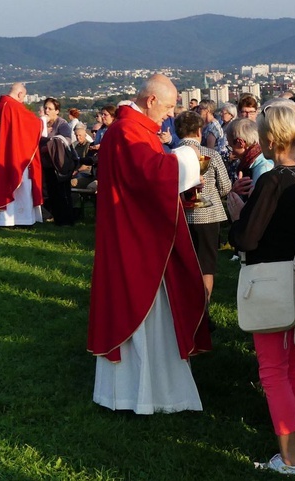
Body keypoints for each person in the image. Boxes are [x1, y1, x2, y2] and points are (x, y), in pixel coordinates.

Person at [87, 74, 211, 414]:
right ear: (151, 100)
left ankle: (144, 392)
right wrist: (187, 157)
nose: (169, 115)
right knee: (143, 313)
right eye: (168, 106)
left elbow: (147, 182)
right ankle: (142, 395)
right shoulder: (128, 132)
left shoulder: (135, 130)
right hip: (136, 240)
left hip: (137, 229)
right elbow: (151, 175)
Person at [227, 103, 295, 475]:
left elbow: (248, 238)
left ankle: (290, 457)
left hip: (270, 282)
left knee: (273, 371)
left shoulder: (273, 180)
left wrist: (238, 215)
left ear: (269, 137)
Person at [175, 110, 232, 302]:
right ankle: (203, 306)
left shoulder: (172, 155)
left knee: (183, 263)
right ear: (199, 131)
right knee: (206, 266)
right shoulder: (211, 154)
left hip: (181, 215)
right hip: (208, 215)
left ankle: (185, 303)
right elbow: (225, 187)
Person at [0, 82, 44, 227]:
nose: (23, 101)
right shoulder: (14, 107)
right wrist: (43, 121)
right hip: (14, 156)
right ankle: (21, 219)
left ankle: (2, 221)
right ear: (20, 94)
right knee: (20, 184)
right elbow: (33, 125)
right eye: (23, 97)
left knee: (0, 182)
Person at [40, 97, 74, 226]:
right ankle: (56, 217)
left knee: (62, 192)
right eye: (45, 108)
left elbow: (67, 140)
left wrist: (50, 142)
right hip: (47, 164)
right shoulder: (43, 124)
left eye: (50, 108)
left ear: (57, 111)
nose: (47, 111)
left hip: (60, 164)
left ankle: (66, 219)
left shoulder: (62, 124)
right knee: (51, 191)